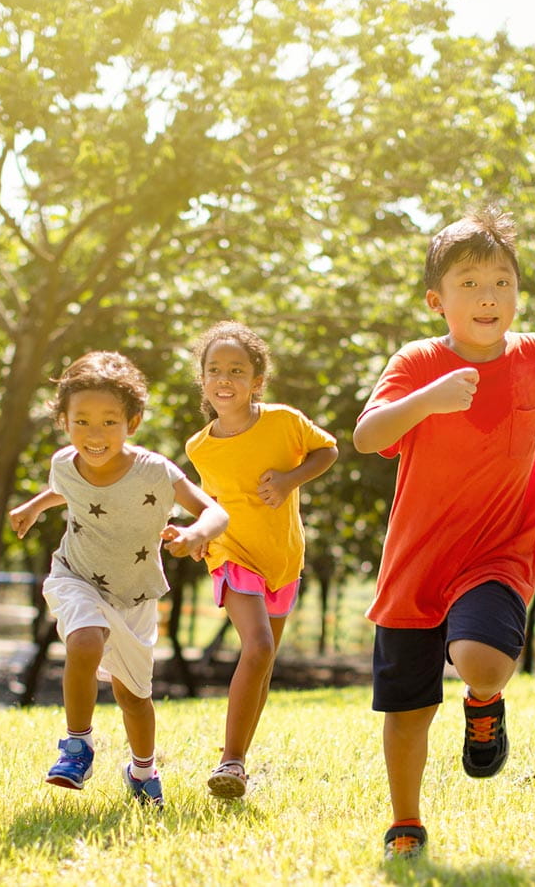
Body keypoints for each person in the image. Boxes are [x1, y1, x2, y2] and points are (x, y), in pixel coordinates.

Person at [353, 208, 535, 859]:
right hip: (415, 565)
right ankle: (406, 822)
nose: (489, 296)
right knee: (407, 711)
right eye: (469, 283)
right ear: (437, 300)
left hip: (497, 554)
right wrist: (426, 400)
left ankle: (484, 701)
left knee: (483, 660)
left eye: (502, 282)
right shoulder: (416, 362)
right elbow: (367, 435)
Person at [9, 351, 228, 808]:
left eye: (109, 422)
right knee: (85, 640)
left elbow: (215, 510)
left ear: (133, 421)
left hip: (135, 593)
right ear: (64, 422)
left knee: (133, 697)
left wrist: (194, 533)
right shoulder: (64, 464)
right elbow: (65, 490)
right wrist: (33, 506)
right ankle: (77, 746)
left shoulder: (155, 471)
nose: (95, 434)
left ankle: (143, 770)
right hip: (76, 575)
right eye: (82, 421)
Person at [185, 321, 338, 798]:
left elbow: (328, 449)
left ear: (257, 380)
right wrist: (194, 533)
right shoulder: (199, 447)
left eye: (236, 369)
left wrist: (292, 479)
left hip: (283, 556)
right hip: (231, 553)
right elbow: (206, 501)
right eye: (214, 370)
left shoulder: (284, 421)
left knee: (264, 657)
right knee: (258, 646)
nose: (224, 378)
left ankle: (238, 766)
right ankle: (230, 761)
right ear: (203, 380)